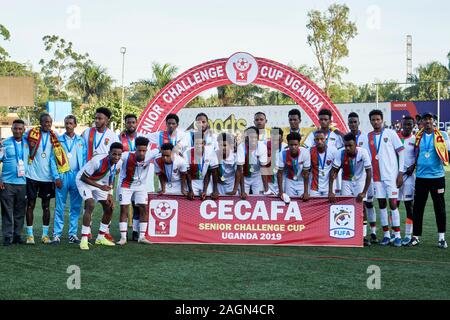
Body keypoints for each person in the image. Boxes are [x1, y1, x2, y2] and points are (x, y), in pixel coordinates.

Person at [25, 113, 69, 244]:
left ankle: (45, 235)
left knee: (46, 206)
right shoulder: (30, 133)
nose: (48, 124)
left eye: (50, 122)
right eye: (45, 122)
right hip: (32, 175)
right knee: (30, 205)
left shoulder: (54, 136)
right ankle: (30, 235)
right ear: (40, 122)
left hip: (48, 178)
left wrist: (57, 176)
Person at [409, 112, 450, 248]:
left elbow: (447, 150)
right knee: (418, 208)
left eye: (430, 119)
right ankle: (415, 237)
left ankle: (441, 238)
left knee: (440, 208)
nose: (427, 122)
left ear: (434, 121)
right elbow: (415, 154)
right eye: (425, 119)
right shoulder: (417, 137)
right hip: (421, 177)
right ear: (421, 122)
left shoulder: (442, 135)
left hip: (437, 177)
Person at [365, 109, 405, 247]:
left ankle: (398, 235)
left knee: (393, 205)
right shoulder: (367, 136)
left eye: (378, 119)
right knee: (382, 205)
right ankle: (387, 235)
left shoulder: (391, 133)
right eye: (373, 120)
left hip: (391, 176)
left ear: (382, 120)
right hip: (376, 177)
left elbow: (402, 153)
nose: (375, 122)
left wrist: (400, 173)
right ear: (370, 121)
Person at [76, 142, 123, 250]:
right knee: (90, 204)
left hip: (99, 182)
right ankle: (84, 239)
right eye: (114, 154)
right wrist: (100, 187)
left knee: (109, 207)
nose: (116, 157)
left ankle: (101, 237)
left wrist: (110, 194)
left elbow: (112, 177)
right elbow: (84, 177)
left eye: (119, 155)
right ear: (109, 153)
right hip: (83, 181)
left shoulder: (119, 162)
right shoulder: (97, 161)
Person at [82, 107, 119, 241]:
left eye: (100, 118)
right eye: (96, 118)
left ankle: (105, 232)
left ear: (107, 120)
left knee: (108, 205)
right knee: (89, 203)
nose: (96, 120)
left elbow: (115, 161)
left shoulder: (113, 136)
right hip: (89, 174)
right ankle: (88, 230)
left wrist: (111, 191)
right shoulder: (88, 132)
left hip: (104, 176)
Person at [329, 133, 372, 246]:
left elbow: (369, 173)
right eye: (346, 145)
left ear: (355, 144)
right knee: (346, 207)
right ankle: (347, 235)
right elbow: (333, 172)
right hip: (346, 181)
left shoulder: (363, 152)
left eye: (350, 145)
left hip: (360, 181)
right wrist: (331, 191)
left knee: (362, 206)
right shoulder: (340, 153)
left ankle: (363, 236)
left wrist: (364, 192)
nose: (348, 148)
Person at [117, 137, 160, 245]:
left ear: (147, 150)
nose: (141, 153)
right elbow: (117, 158)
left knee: (143, 208)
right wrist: (117, 166)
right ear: (135, 149)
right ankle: (123, 238)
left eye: (144, 151)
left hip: (141, 187)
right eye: (139, 150)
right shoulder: (126, 155)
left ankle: (141, 237)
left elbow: (162, 149)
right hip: (126, 185)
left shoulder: (150, 154)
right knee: (124, 209)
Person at [50, 115, 86, 244]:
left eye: (71, 123)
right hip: (63, 175)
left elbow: (85, 159)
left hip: (77, 177)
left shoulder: (81, 141)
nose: (68, 126)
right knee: (60, 206)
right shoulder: (58, 141)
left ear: (75, 125)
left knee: (75, 207)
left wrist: (83, 176)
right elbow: (52, 160)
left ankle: (72, 234)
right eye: (66, 123)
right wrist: (56, 177)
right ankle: (57, 235)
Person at [348, 112, 378, 244]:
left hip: (365, 177)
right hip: (350, 179)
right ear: (348, 124)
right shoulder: (346, 137)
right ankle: (355, 232)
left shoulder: (366, 137)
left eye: (355, 122)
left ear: (359, 122)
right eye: (351, 122)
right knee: (352, 205)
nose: (353, 124)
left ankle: (372, 232)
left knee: (367, 204)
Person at [0, 120, 29, 245]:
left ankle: (17, 236)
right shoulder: (4, 144)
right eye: (15, 128)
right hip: (7, 183)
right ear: (11, 129)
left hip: (22, 183)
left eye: (20, 129)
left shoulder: (28, 144)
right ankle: (7, 236)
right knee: (7, 211)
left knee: (20, 211)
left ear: (24, 130)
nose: (18, 131)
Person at [118, 114, 144, 241]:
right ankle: (123, 235)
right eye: (128, 122)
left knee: (137, 205)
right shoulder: (119, 138)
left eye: (133, 122)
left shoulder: (142, 138)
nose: (131, 124)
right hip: (125, 177)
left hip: (139, 178)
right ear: (125, 124)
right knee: (124, 205)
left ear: (137, 123)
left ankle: (135, 231)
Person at [397, 116, 416, 246]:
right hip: (396, 176)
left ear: (413, 125)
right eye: (405, 124)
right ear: (401, 124)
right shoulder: (395, 137)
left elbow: (418, 155)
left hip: (409, 177)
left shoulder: (415, 139)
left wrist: (413, 166)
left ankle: (408, 235)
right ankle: (395, 233)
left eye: (410, 124)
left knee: (409, 205)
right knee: (394, 205)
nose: (407, 127)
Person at [276, 132, 311, 200]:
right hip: (290, 181)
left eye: (295, 145)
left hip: (301, 181)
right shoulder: (282, 154)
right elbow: (279, 174)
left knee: (304, 201)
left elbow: (306, 174)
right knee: (290, 202)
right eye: (291, 145)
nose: (293, 147)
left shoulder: (305, 153)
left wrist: (306, 192)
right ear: (288, 145)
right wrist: (281, 192)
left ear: (299, 144)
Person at [184, 135, 219, 200]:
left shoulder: (211, 152)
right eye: (196, 144)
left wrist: (214, 190)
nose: (199, 146)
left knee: (209, 195)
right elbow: (187, 174)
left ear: (204, 143)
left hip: (206, 180)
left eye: (201, 143)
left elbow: (214, 172)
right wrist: (190, 190)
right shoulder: (187, 153)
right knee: (191, 197)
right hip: (192, 180)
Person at [237, 126, 268, 195]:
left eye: (254, 137)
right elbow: (240, 169)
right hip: (244, 176)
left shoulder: (262, 147)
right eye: (249, 137)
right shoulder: (241, 147)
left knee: (259, 197)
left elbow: (263, 169)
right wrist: (242, 191)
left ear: (258, 138)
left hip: (257, 176)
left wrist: (266, 189)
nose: (251, 139)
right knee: (243, 196)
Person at [216, 133, 247, 199]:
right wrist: (214, 189)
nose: (222, 147)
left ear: (230, 145)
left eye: (225, 145)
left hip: (231, 184)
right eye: (220, 145)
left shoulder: (235, 155)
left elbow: (240, 172)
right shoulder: (215, 153)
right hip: (219, 184)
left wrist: (241, 191)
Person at [308, 129, 338, 197]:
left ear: (326, 139)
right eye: (317, 139)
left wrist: (331, 191)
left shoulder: (333, 150)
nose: (319, 141)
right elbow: (307, 171)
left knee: (329, 206)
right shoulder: (310, 151)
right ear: (314, 140)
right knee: (313, 207)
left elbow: (336, 170)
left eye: (322, 139)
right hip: (314, 187)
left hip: (329, 187)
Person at [262, 127, 287, 195]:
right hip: (268, 180)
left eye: (277, 139)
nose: (275, 141)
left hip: (282, 180)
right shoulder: (264, 145)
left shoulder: (286, 148)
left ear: (281, 139)